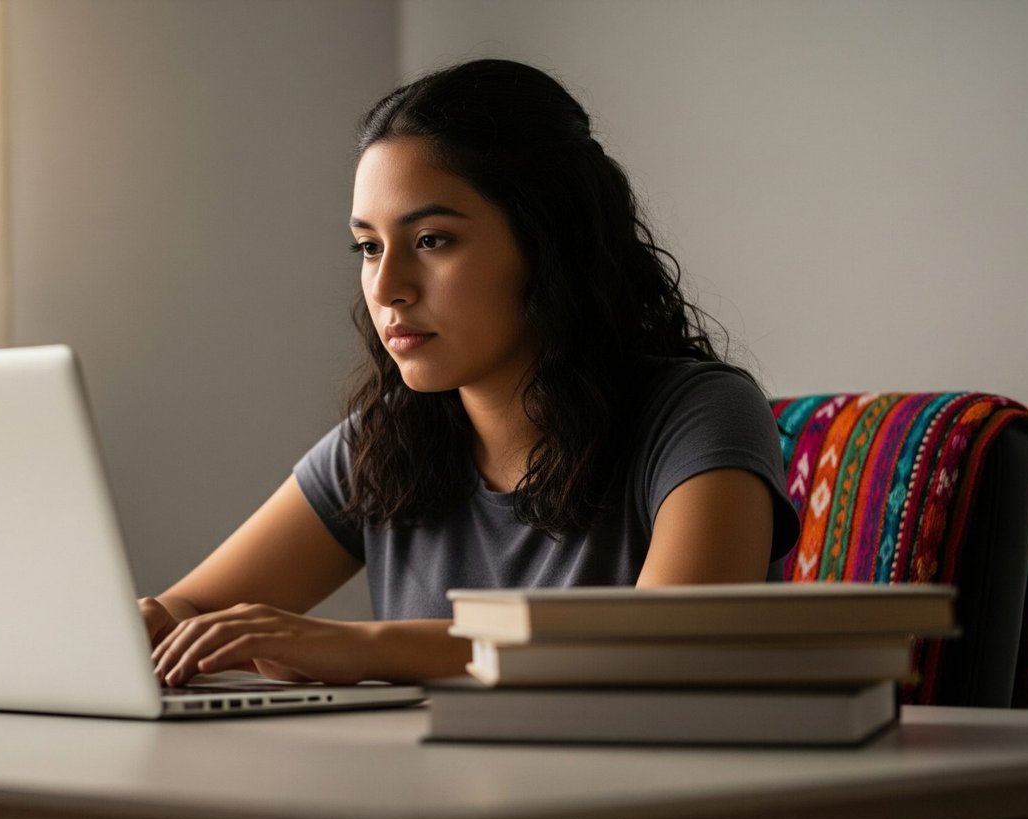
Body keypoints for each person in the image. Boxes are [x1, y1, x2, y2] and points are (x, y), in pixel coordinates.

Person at [142, 59, 799, 688]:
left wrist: (363, 645)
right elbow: (192, 609)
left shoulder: (698, 413)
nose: (387, 286)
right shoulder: (385, 441)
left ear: (549, 244)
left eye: (432, 239)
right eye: (369, 247)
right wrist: (144, 626)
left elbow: (671, 641)